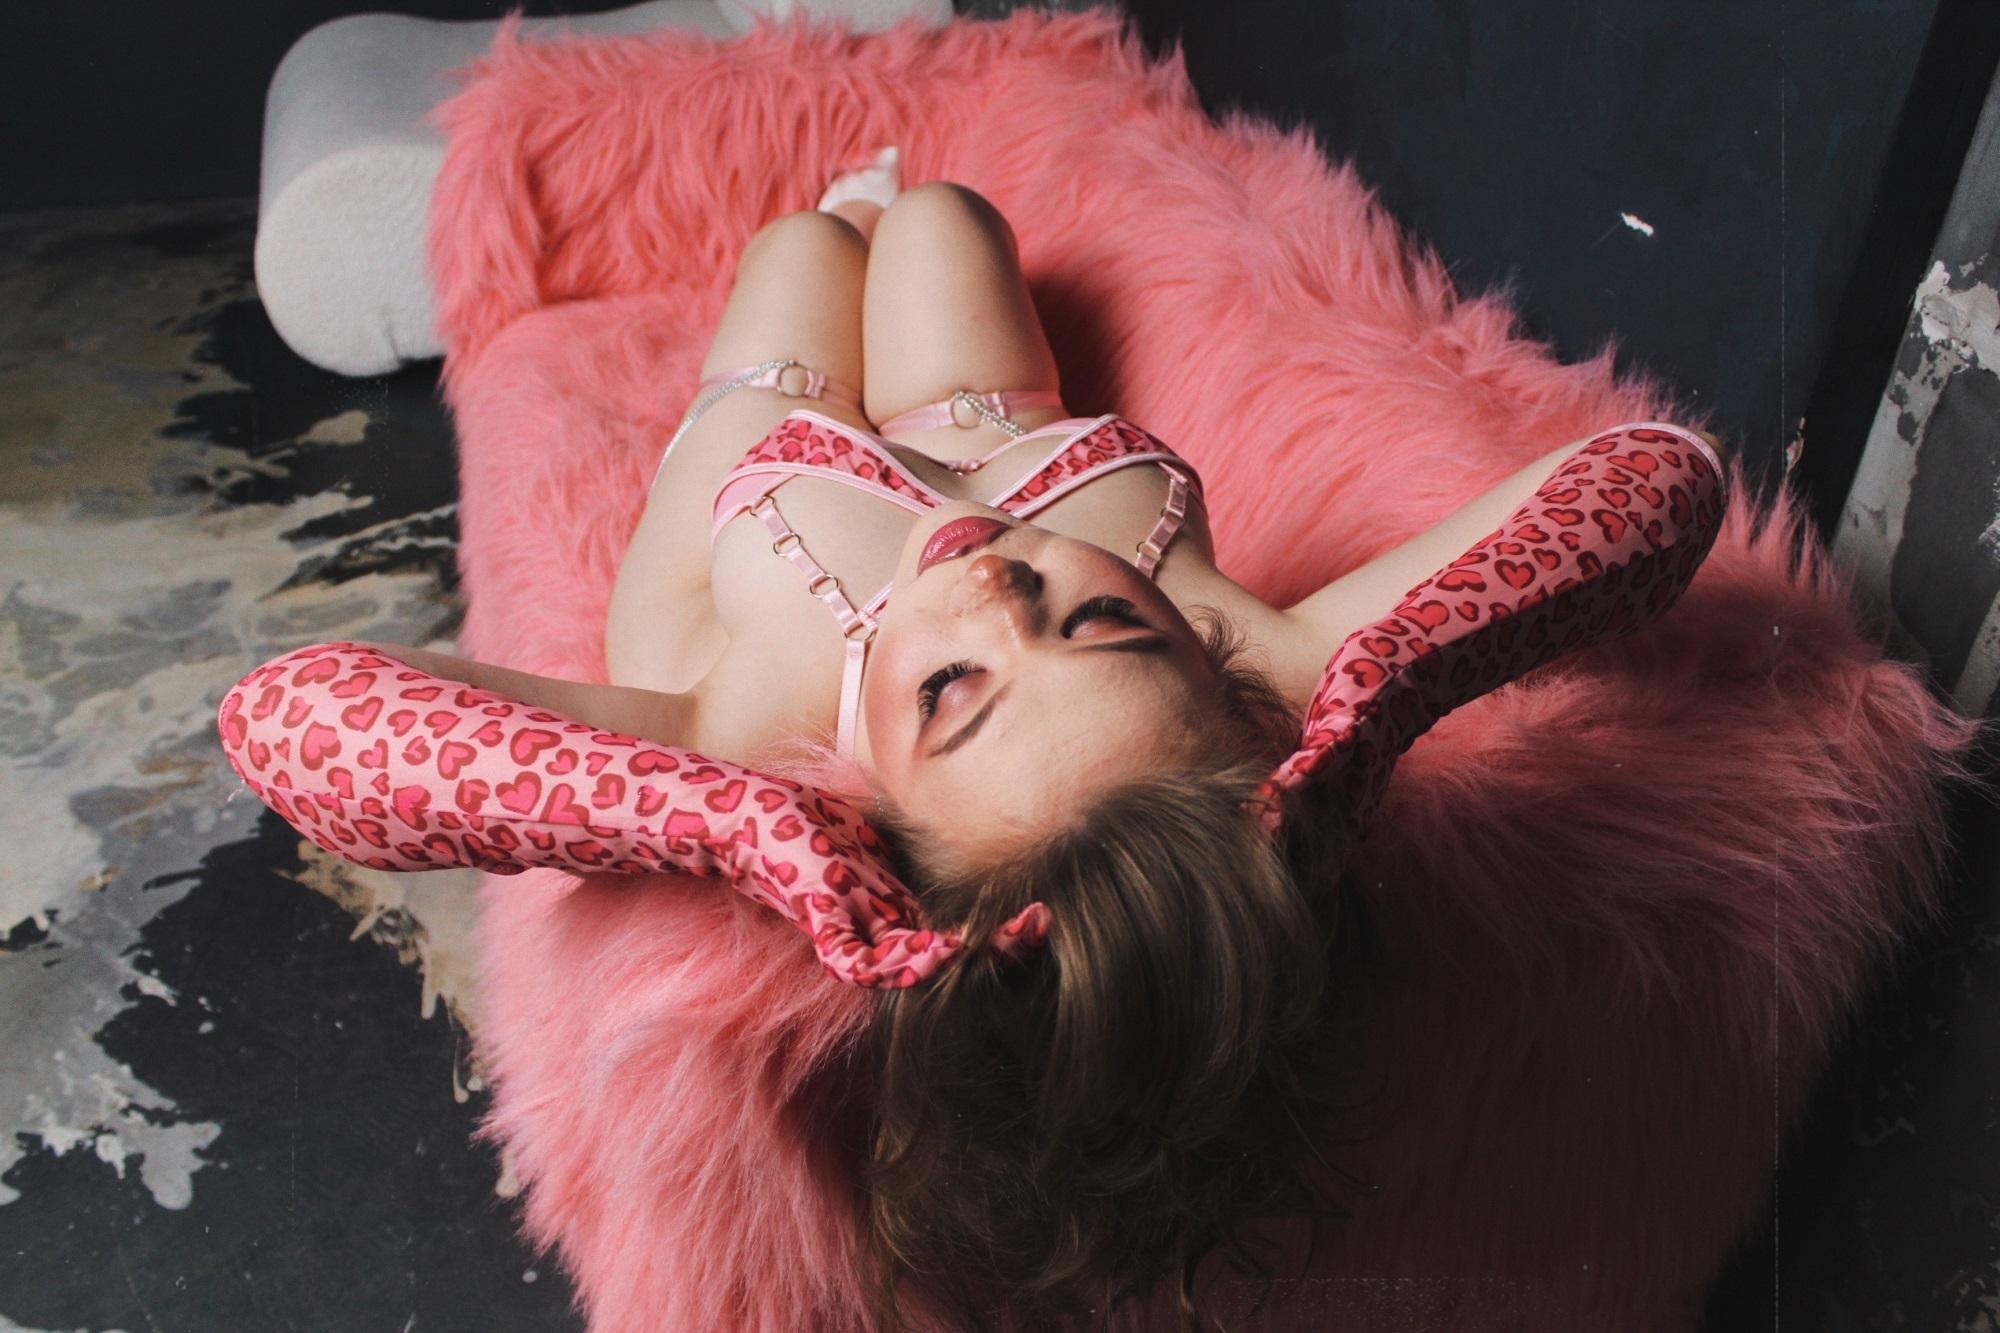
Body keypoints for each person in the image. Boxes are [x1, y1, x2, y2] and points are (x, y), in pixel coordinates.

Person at [217, 150, 1732, 1332]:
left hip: (780, 460)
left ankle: (830, 237)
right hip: (996, 423)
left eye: (953, 695)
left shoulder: (753, 729)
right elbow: (1657, 481)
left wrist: (737, 823)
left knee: (807, 248)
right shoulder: (1263, 671)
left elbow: (291, 723)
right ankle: (893, 224)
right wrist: (1381, 687)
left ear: (887, 825)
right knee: (946, 217)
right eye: (1101, 621)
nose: (999, 592)